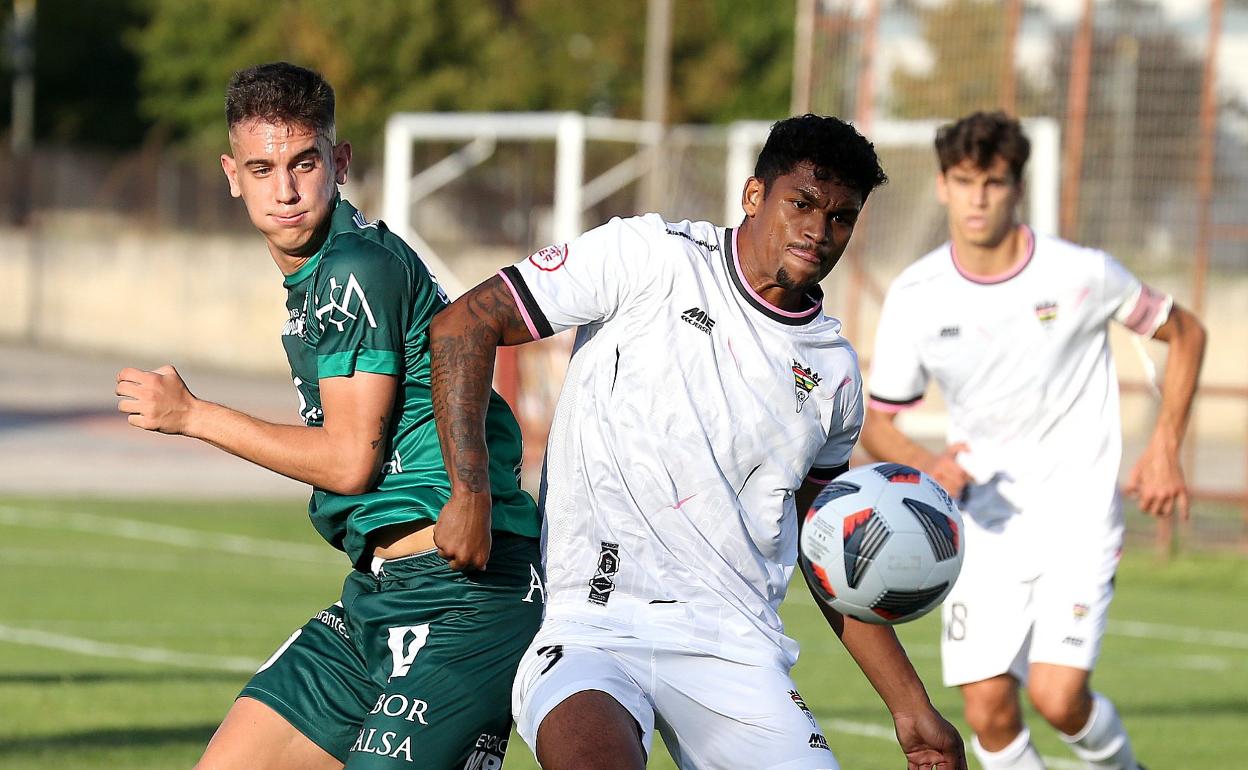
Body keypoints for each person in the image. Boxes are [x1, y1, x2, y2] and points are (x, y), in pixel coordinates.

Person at [428, 114, 966, 770]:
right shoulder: (649, 256)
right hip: (591, 622)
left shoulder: (834, 371)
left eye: (841, 218)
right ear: (753, 196)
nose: (818, 231)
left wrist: (911, 709)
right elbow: (465, 323)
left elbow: (831, 557)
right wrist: (470, 490)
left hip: (736, 648)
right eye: (801, 204)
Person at [114, 62, 543, 770]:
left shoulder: (353, 269)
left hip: (464, 597)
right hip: (381, 595)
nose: (283, 190)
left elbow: (349, 461)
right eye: (261, 167)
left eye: (303, 163)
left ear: (338, 162)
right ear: (231, 174)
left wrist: (192, 415)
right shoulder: (317, 282)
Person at [860, 111, 1206, 770]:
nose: (978, 198)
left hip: (1077, 518)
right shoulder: (917, 295)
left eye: (992, 181)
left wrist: (1165, 446)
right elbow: (877, 420)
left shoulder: (1081, 274)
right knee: (987, 709)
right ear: (942, 186)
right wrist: (928, 463)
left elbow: (1184, 332)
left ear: (1017, 186)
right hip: (982, 530)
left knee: (1056, 696)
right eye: (964, 181)